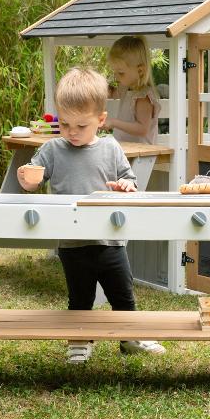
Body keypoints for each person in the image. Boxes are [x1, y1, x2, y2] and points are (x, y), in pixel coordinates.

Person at [17, 67, 166, 364]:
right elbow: (34, 177)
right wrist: (27, 180)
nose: (72, 132)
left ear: (100, 120)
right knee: (80, 297)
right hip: (72, 243)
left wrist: (127, 185)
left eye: (81, 126)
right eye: (65, 123)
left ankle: (131, 336)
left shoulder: (111, 148)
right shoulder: (53, 150)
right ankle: (80, 340)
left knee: (123, 294)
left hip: (110, 240)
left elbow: (129, 180)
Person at [104, 35, 162, 145]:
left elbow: (142, 129)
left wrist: (113, 122)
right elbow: (111, 93)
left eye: (121, 73)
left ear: (140, 70)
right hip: (127, 151)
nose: (116, 77)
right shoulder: (126, 88)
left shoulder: (143, 96)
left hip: (142, 155)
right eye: (114, 72)